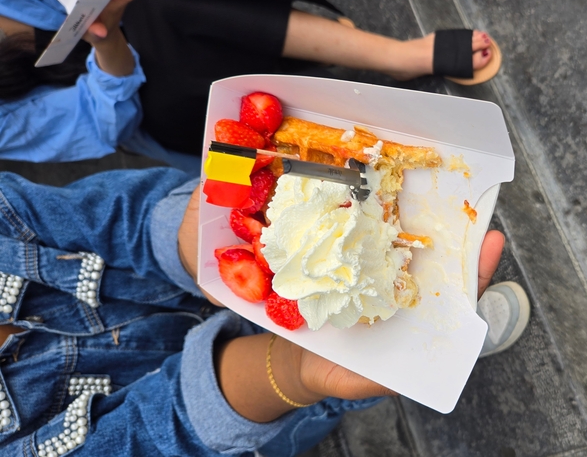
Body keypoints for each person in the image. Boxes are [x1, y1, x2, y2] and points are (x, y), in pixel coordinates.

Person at [0, 166, 528, 456]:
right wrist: (296, 372)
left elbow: (115, 217)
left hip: (216, 273)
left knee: (365, 300)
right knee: (343, 375)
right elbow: (150, 439)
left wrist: (191, 244)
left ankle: (430, 333)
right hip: (240, 408)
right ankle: (416, 350)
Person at [0, 0, 501, 172]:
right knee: (171, 75)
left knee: (159, 0)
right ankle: (333, 126)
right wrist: (106, 40)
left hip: (146, 14)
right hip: (143, 105)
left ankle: (397, 56)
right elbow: (104, 121)